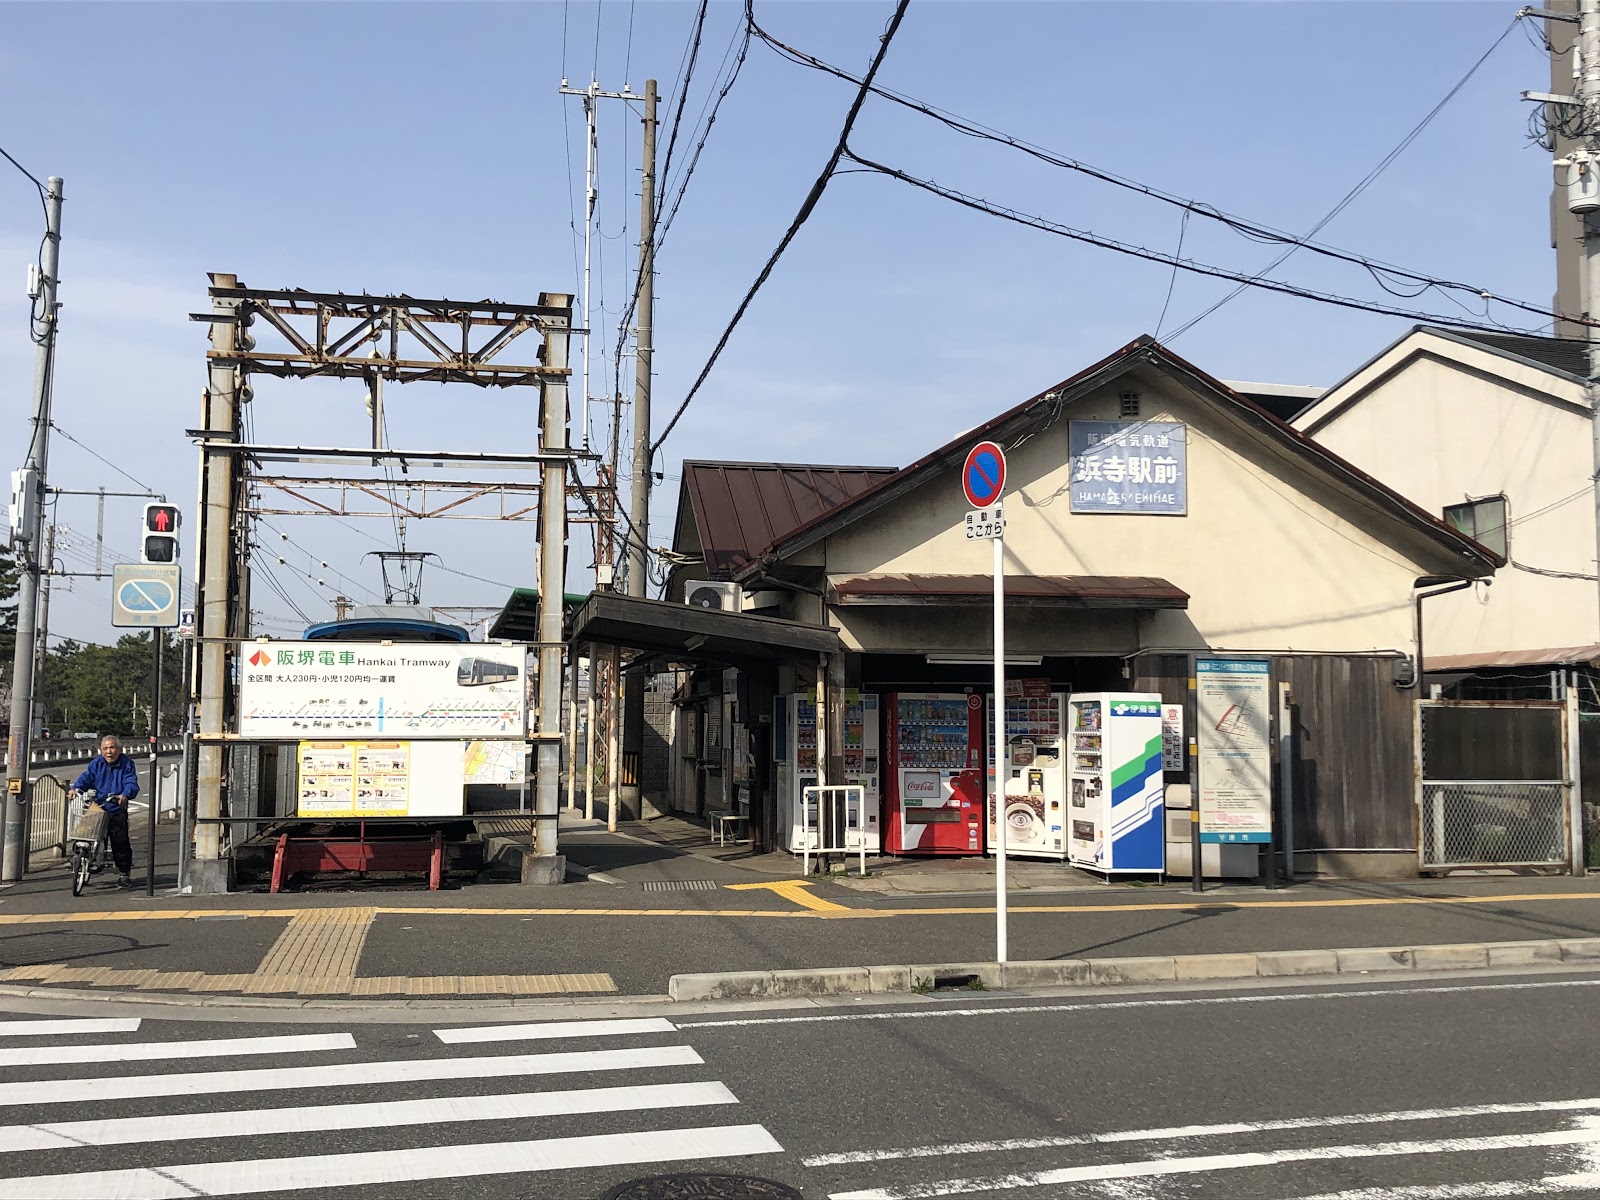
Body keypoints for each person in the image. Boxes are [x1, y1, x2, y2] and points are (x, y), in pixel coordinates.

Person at [69, 735, 138, 889]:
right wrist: (75, 789)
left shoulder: (126, 764)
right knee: (83, 832)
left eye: (112, 748)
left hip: (115, 806)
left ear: (119, 750)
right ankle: (80, 858)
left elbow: (130, 781)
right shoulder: (97, 763)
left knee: (119, 841)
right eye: (105, 748)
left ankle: (124, 873)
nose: (109, 752)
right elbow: (86, 778)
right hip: (98, 805)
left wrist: (125, 794)